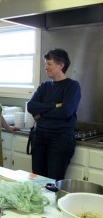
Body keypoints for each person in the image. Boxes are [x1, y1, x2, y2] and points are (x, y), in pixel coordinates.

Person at [27, 48, 81, 181]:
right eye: (46, 64)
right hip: (40, 137)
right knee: (38, 179)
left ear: (61, 65)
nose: (46, 67)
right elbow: (30, 106)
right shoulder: (44, 86)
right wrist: (53, 105)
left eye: (49, 64)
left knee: (53, 181)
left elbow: (65, 111)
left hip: (60, 139)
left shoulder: (72, 86)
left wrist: (42, 113)